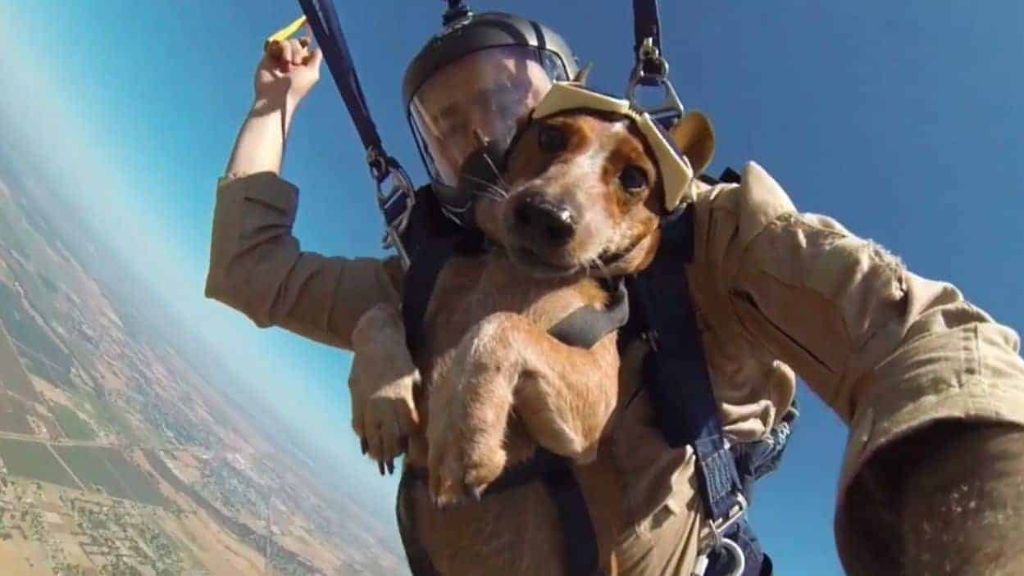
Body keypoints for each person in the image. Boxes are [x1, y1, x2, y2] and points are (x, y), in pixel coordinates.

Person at [206, 9, 1024, 575]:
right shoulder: (426, 277)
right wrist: (273, 107)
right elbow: (253, 272)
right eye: (447, 128)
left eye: (503, 103)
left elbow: (913, 331)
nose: (483, 138)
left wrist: (985, 507)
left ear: (557, 94)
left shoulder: (711, 240)